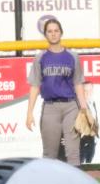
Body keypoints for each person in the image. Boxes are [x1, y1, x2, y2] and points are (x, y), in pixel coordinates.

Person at [26, 18, 88, 166]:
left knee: (73, 152)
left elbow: (78, 83)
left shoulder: (72, 56)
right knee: (49, 154)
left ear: (61, 33)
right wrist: (29, 113)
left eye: (56, 31)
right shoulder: (40, 57)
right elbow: (35, 86)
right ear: (45, 35)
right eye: (50, 31)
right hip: (50, 107)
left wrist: (84, 107)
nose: (53, 34)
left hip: (71, 107)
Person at [79, 80, 100, 164]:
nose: (88, 93)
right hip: (83, 139)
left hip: (92, 139)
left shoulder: (92, 103)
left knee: (89, 162)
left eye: (90, 90)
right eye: (85, 91)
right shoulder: (79, 105)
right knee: (82, 163)